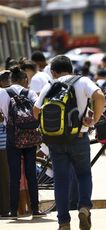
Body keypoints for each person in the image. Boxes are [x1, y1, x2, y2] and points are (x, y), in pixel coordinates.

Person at [33, 55, 105, 230]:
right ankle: (84, 207)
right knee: (84, 175)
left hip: (56, 140)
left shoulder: (50, 85)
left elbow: (36, 111)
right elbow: (100, 96)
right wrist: (94, 119)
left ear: (53, 72)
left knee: (61, 180)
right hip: (79, 138)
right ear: (71, 69)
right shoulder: (82, 81)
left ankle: (63, 221)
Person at [0, 66, 46, 219]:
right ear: (25, 80)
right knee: (31, 174)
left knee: (14, 176)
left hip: (12, 138)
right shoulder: (30, 93)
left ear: (11, 79)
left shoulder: (3, 93)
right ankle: (35, 209)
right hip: (30, 137)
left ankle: (13, 211)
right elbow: (37, 109)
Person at [0, 70, 11, 218]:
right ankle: (4, 209)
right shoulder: (2, 93)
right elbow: (6, 117)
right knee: (3, 176)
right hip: (2, 141)